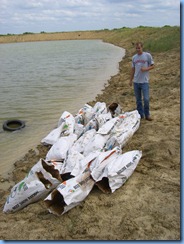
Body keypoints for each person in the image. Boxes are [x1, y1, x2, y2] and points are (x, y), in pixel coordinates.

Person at [129, 42, 154, 121]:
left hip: (145, 82)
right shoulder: (134, 58)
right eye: (136, 48)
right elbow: (133, 69)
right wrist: (130, 80)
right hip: (136, 82)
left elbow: (153, 66)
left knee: (146, 99)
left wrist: (145, 69)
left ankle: (147, 114)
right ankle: (140, 114)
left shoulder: (147, 56)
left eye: (139, 48)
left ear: (142, 47)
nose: (138, 50)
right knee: (138, 100)